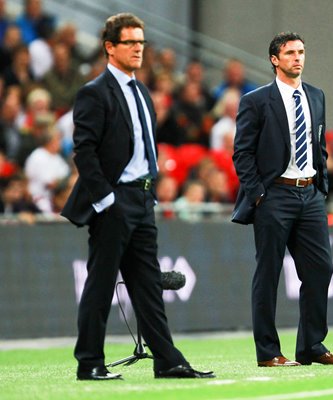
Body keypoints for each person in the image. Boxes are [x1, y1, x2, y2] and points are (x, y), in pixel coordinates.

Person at [60, 13, 214, 381]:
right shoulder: (94, 92)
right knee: (101, 283)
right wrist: (105, 201)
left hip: (143, 200)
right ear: (109, 47)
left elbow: (145, 144)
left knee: (147, 285)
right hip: (114, 202)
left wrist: (151, 189)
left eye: (141, 42)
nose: (138, 49)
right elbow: (84, 151)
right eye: (130, 42)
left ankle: (167, 359)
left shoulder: (141, 91)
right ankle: (89, 362)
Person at [232, 32, 333, 367]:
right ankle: (269, 352)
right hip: (274, 195)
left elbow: (319, 143)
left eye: (301, 52)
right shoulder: (256, 101)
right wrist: (258, 194)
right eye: (290, 53)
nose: (298, 58)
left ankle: (312, 345)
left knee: (321, 267)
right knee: (268, 274)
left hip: (309, 192)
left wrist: (321, 187)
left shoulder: (316, 95)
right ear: (275, 59)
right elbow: (242, 153)